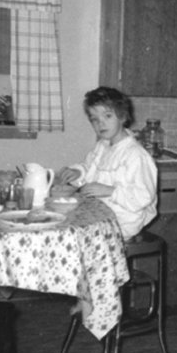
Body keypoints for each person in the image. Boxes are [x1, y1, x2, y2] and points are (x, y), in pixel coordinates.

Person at [57, 86, 157, 240]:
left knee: (68, 238)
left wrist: (110, 191)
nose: (100, 124)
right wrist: (78, 173)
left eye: (107, 116)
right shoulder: (103, 145)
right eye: (94, 119)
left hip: (122, 223)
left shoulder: (136, 155)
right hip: (99, 214)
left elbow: (143, 197)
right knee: (59, 223)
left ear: (122, 117)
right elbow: (89, 169)